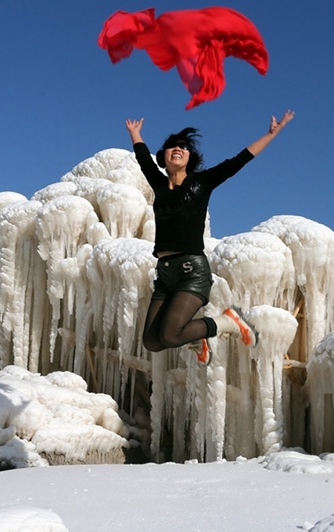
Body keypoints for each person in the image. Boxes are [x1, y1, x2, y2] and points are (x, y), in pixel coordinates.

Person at [125, 110, 295, 365]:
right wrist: (136, 134)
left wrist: (272, 134)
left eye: (183, 147)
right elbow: (143, 160)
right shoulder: (159, 185)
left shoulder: (202, 182)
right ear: (164, 156)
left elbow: (240, 160)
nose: (177, 149)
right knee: (152, 341)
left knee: (170, 335)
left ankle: (228, 321)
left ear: (190, 156)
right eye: (172, 146)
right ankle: (194, 337)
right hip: (165, 274)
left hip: (191, 271)